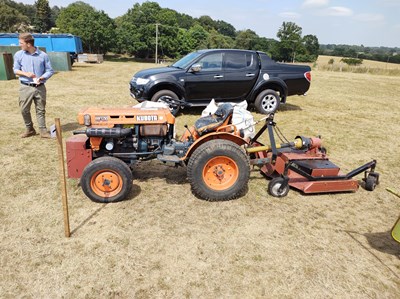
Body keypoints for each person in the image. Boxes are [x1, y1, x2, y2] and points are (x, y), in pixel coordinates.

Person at [13, 33, 54, 138]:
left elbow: (49, 70)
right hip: (25, 87)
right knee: (24, 109)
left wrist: (43, 77)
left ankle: (43, 131)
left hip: (40, 87)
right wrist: (26, 74)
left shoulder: (43, 55)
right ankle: (30, 128)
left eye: (21, 43)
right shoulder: (18, 54)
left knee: (40, 109)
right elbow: (15, 70)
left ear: (28, 44)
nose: (20, 45)